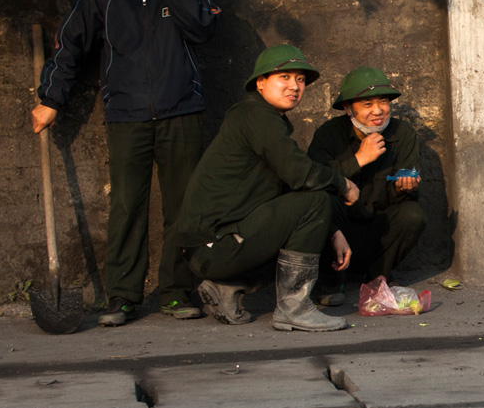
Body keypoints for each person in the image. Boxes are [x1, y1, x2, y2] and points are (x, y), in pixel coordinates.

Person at [32, 0, 220, 326]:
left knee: (183, 206)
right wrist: (51, 99)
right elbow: (70, 46)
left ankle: (175, 291)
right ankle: (122, 296)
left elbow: (205, 30)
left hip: (182, 110)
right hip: (126, 113)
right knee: (127, 206)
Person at [174, 45, 359, 332]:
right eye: (284, 77)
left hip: (215, 246)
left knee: (311, 207)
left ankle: (227, 288)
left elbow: (288, 189)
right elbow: (302, 175)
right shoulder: (255, 116)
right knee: (316, 201)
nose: (294, 86)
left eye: (300, 80)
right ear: (260, 83)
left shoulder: (267, 121)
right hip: (214, 246)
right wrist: (343, 184)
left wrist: (332, 229)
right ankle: (293, 308)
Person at [307, 67, 426, 305]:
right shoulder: (329, 135)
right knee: (320, 206)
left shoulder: (402, 133)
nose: (377, 111)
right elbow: (313, 181)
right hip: (338, 231)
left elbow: (404, 195)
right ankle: (330, 279)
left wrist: (405, 188)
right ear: (348, 108)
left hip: (376, 232)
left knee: (413, 215)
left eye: (383, 102)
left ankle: (377, 277)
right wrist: (359, 159)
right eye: (367, 104)